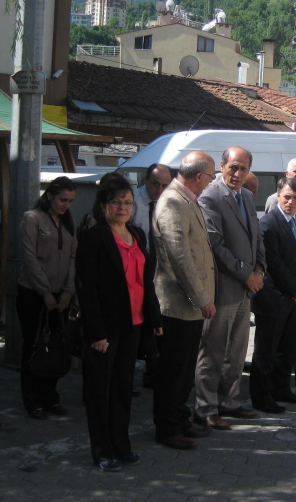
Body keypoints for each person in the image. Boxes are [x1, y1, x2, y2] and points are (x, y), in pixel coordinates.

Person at [76, 173, 163, 471]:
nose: (122, 208)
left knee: (123, 389)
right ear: (103, 205)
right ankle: (102, 450)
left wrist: (154, 318)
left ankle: (121, 446)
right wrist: (96, 332)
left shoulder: (136, 236)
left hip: (134, 324)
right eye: (115, 202)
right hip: (106, 328)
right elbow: (86, 289)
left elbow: (146, 281)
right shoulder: (93, 238)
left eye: (127, 202)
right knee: (100, 390)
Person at [194, 147, 265, 429]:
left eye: (243, 169)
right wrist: (247, 274)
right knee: (212, 352)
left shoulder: (246, 196)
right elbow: (215, 245)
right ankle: (205, 408)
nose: (237, 174)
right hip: (223, 289)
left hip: (246, 289)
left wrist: (260, 269)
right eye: (232, 167)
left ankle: (230, 402)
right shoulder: (210, 197)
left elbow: (257, 238)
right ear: (222, 166)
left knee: (236, 352)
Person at [152, 152, 217, 451]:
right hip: (179, 304)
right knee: (173, 370)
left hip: (192, 305)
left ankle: (180, 418)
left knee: (186, 367)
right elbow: (180, 257)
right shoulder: (172, 201)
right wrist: (202, 297)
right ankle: (167, 428)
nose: (212, 180)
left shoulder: (187, 198)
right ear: (200, 176)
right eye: (211, 175)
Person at [17, 176, 78, 420]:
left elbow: (74, 257)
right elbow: (29, 257)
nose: (65, 205)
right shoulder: (32, 218)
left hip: (60, 294)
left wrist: (67, 291)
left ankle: (50, 397)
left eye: (70, 201)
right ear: (50, 196)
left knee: (56, 345)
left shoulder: (67, 223)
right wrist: (44, 291)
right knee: (33, 345)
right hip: (33, 293)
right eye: (62, 199)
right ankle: (32, 400)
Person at [250, 177, 296, 413]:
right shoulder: (268, 223)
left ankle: (282, 388)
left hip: (295, 299)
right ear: (278, 196)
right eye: (287, 197)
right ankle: (261, 396)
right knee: (266, 351)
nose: (291, 202)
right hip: (274, 298)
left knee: (287, 349)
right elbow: (273, 264)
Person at [130, 163, 173, 388]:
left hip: (161, 271)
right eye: (155, 183)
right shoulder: (133, 202)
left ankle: (153, 371)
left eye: (165, 185)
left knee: (159, 320)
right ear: (146, 180)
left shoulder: (168, 202)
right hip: (137, 271)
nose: (159, 189)